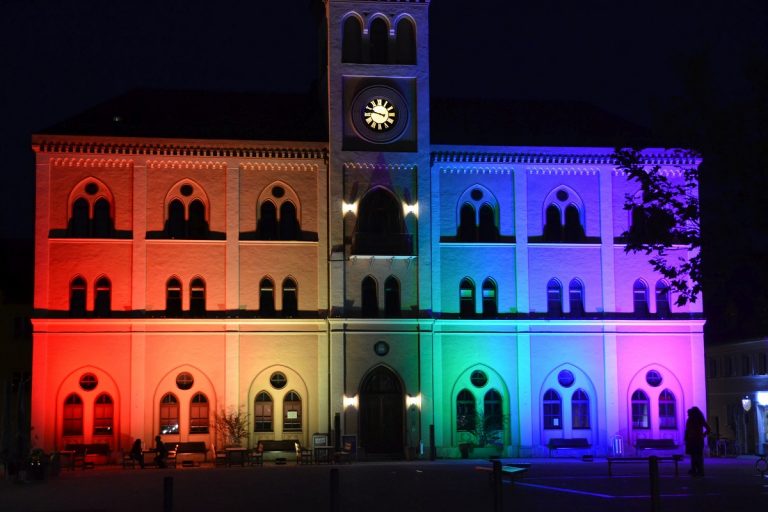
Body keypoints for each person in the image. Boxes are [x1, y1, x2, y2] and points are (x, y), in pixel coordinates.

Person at [685, 406, 711, 477]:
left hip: (693, 440)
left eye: (689, 414)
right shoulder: (700, 420)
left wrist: (686, 438)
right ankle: (698, 470)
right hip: (698, 440)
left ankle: (696, 470)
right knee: (698, 456)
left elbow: (687, 430)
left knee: (694, 456)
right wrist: (703, 435)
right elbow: (708, 429)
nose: (688, 415)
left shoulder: (691, 420)